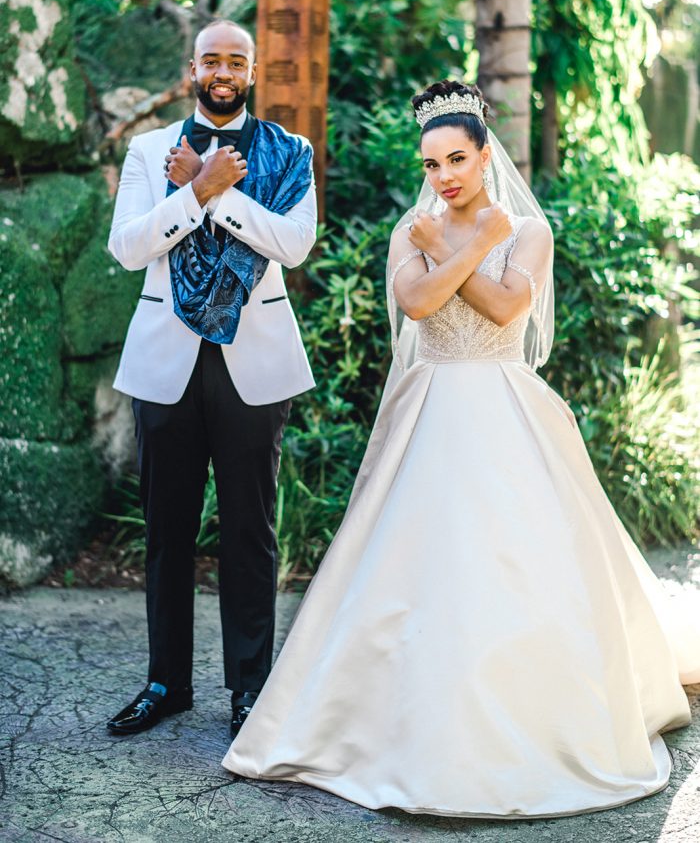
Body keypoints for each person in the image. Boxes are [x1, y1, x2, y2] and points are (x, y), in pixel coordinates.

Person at [221, 80, 700, 818]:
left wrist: (466, 243)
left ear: (484, 157)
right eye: (431, 164)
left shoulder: (526, 232)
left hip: (505, 403)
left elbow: (510, 306)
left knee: (524, 565)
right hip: (432, 407)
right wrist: (469, 244)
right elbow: (417, 304)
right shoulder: (410, 231)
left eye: (456, 159)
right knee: (413, 565)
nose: (443, 176)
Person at [106, 19, 317, 739]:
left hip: (252, 364)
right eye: (211, 59)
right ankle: (166, 683)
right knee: (167, 530)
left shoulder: (291, 154)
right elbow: (129, 248)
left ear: (252, 72)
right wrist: (195, 193)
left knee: (249, 532)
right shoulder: (148, 151)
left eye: (236, 60)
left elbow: (292, 242)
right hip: (167, 360)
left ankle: (249, 691)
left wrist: (214, 192)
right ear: (192, 68)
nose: (223, 71)